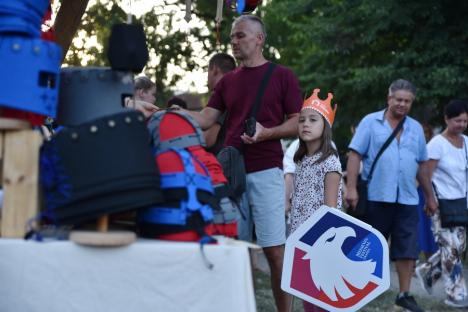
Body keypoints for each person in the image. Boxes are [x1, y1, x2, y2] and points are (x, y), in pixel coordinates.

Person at [183, 15, 302, 312]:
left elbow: (298, 122)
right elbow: (205, 119)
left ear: (259, 38)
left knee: (275, 252)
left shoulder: (282, 75)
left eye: (240, 36)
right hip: (231, 175)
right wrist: (167, 112)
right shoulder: (228, 82)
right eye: (233, 37)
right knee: (235, 252)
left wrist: (267, 133)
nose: (234, 41)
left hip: (267, 171)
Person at [345, 79, 437, 312]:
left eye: (407, 101)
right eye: (398, 100)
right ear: (389, 99)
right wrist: (352, 187)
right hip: (376, 195)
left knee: (407, 248)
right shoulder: (370, 122)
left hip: (407, 198)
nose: (402, 104)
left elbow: (422, 164)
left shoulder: (416, 128)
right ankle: (354, 288)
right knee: (367, 246)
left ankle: (404, 295)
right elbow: (355, 155)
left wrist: (429, 196)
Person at [289, 90, 342, 312]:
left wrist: (321, 246)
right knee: (306, 296)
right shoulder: (301, 159)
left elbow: (331, 210)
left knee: (322, 298)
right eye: (301, 120)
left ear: (325, 127)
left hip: (320, 242)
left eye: (313, 120)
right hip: (300, 237)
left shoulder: (330, 162)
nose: (305, 125)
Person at [415, 100, 468, 308]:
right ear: (446, 119)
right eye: (457, 120)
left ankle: (427, 271)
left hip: (461, 203)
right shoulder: (437, 144)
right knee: (451, 249)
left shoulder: (466, 142)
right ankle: (455, 293)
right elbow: (425, 172)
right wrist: (430, 199)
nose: (462, 124)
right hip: (440, 203)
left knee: (458, 247)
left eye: (465, 120)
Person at [204, 53, 236, 154]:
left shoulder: (221, 95)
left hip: (220, 163)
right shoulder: (235, 93)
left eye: (208, 71)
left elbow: (208, 140)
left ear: (215, 69)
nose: (207, 76)